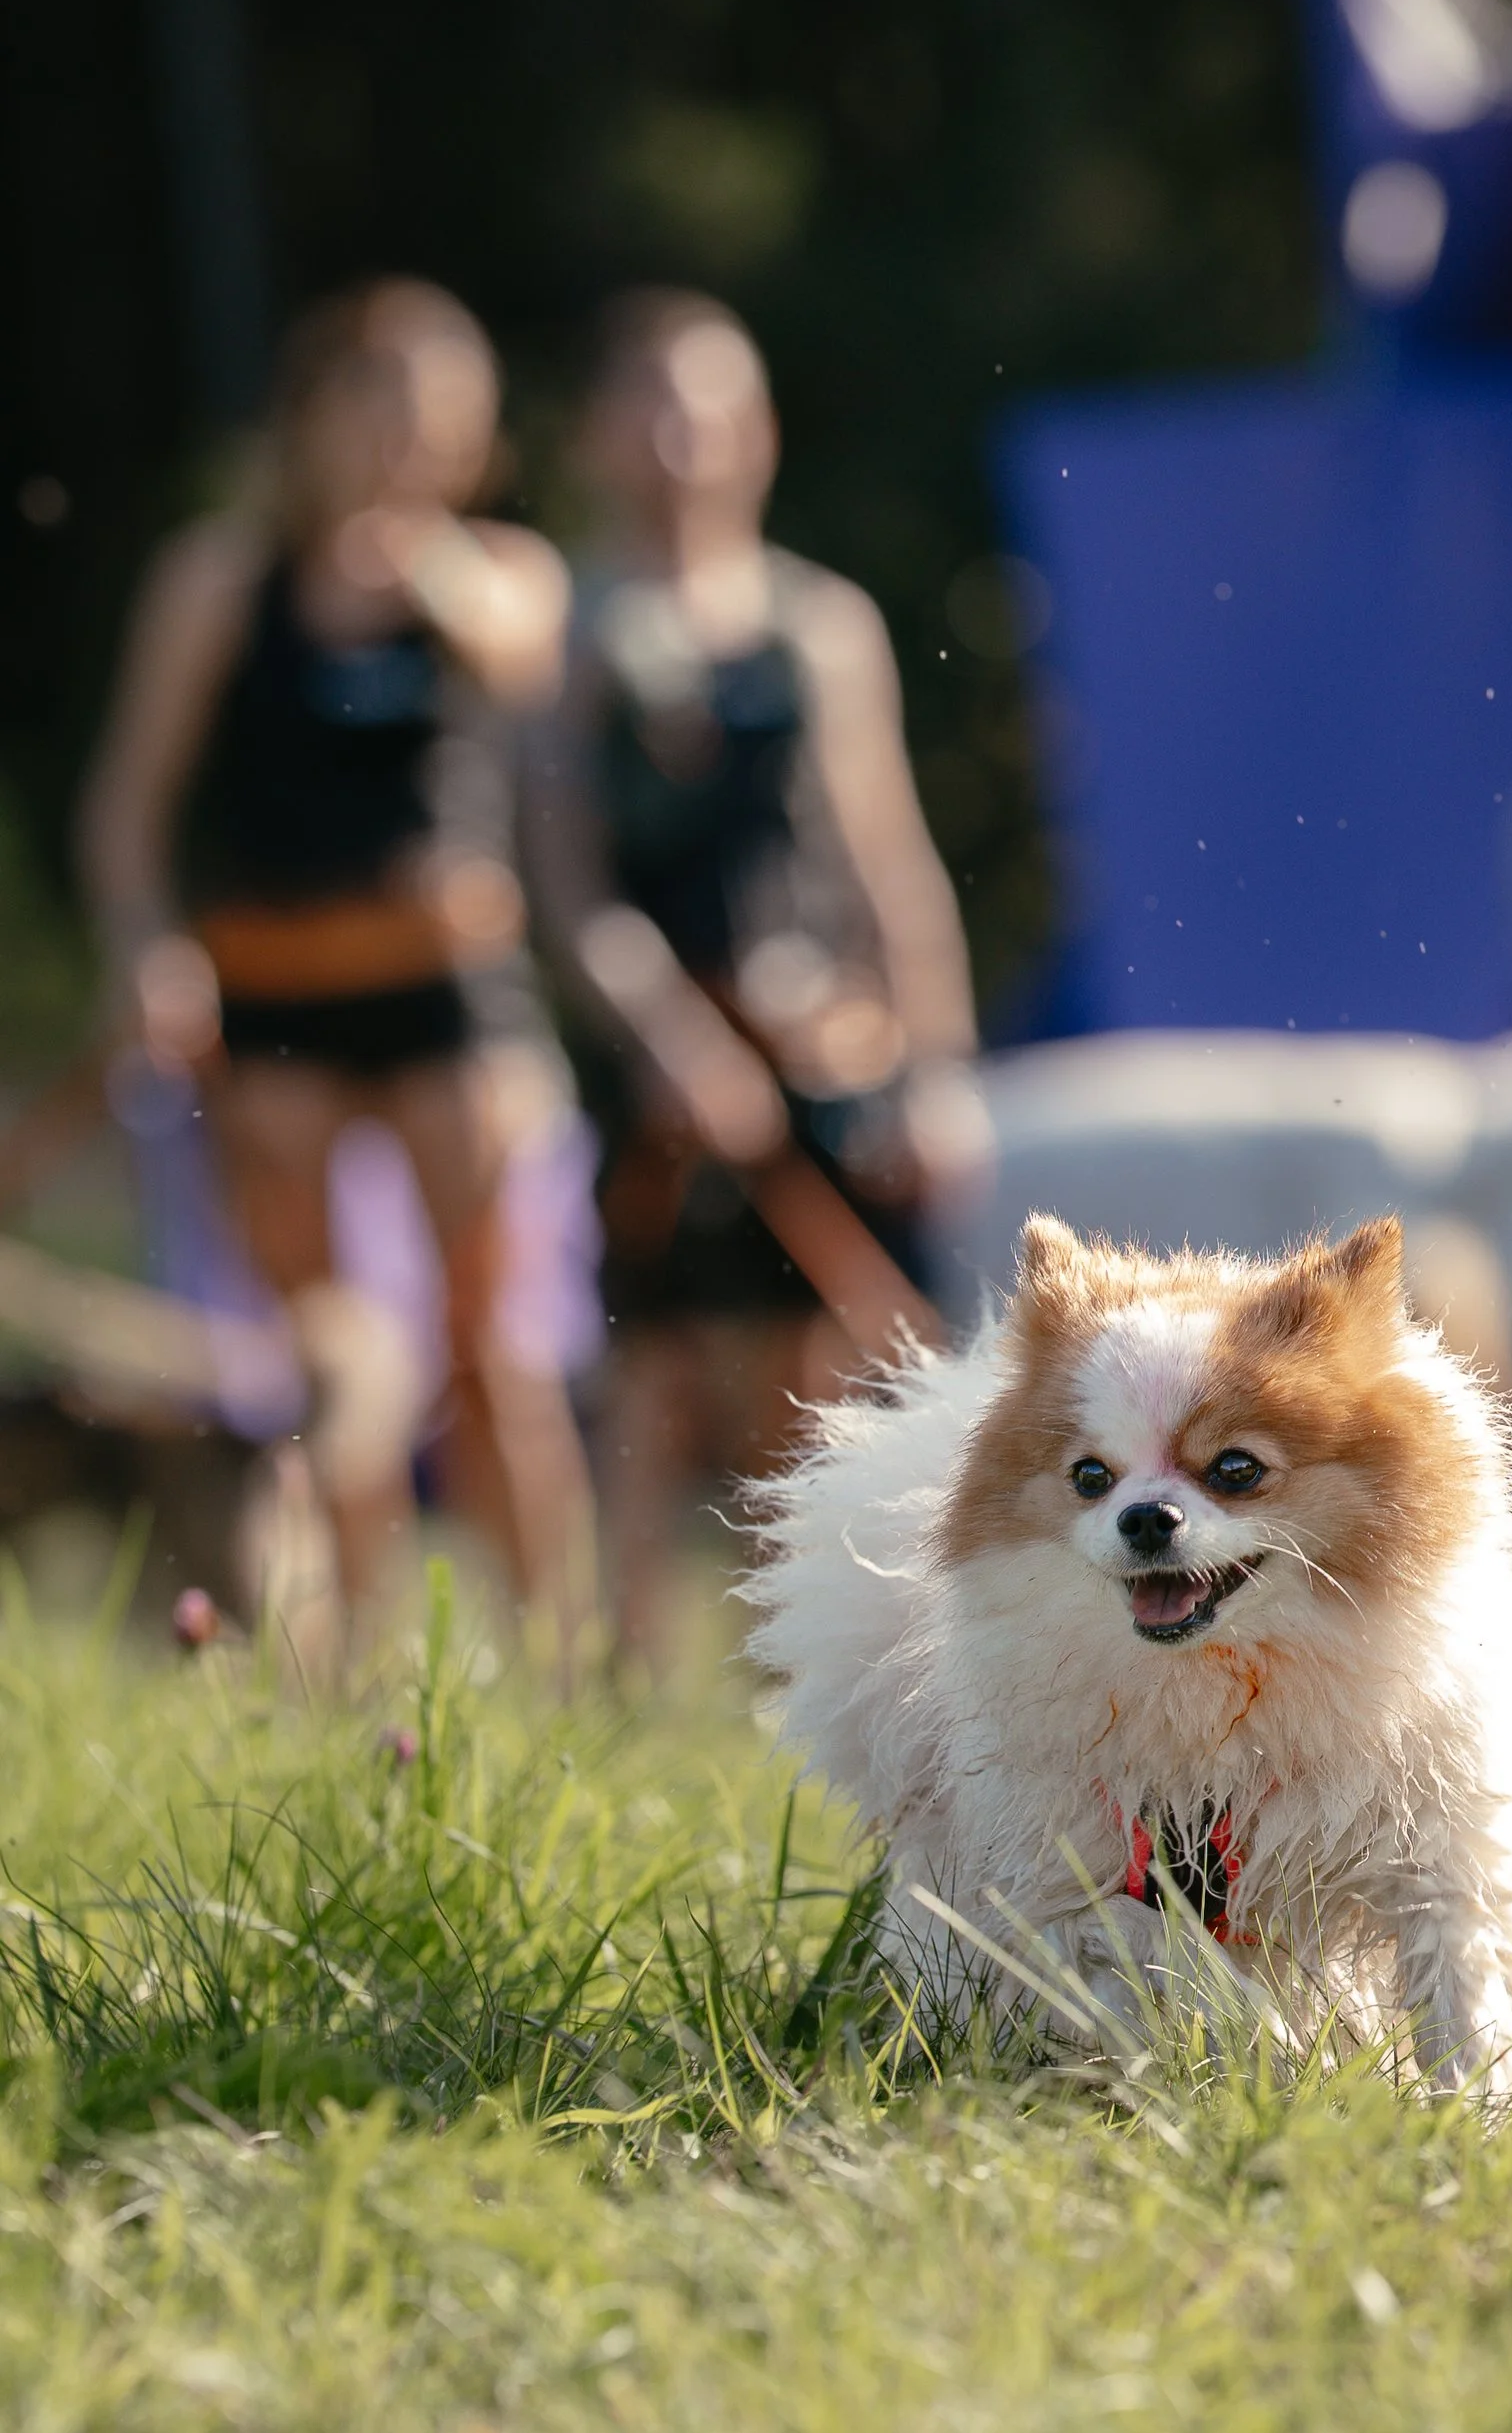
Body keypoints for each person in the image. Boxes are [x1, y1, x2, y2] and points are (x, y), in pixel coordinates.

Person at [76, 278, 595, 1641]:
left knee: (492, 1349)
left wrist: (417, 559)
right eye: (374, 403)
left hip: (447, 991)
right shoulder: (221, 581)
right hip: (276, 992)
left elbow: (526, 662)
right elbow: (127, 808)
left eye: (436, 417)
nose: (399, 439)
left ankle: (559, 1656)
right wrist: (145, 950)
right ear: (309, 413)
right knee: (327, 1356)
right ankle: (357, 1653)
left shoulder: (491, 576)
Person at [524, 290, 988, 1657]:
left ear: (761, 432)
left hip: (824, 1042)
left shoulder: (819, 622)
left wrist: (937, 1065)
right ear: (602, 431)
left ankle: (816, 1682)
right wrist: (672, 1037)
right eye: (655, 404)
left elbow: (883, 856)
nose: (685, 438)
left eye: (713, 405)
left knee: (825, 1379)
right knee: (651, 1379)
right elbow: (566, 882)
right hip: (651, 1052)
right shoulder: (565, 628)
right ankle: (612, 1686)